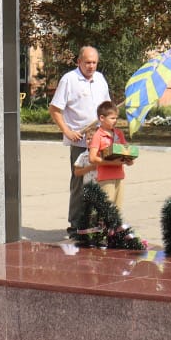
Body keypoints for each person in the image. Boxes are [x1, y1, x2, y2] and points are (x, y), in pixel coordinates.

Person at [49, 47, 111, 230]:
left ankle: (96, 221)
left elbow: (106, 107)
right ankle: (76, 224)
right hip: (79, 140)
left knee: (100, 179)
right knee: (79, 181)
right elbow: (54, 109)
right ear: (79, 62)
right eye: (87, 62)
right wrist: (67, 131)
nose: (91, 66)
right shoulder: (69, 80)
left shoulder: (100, 79)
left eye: (94, 62)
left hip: (99, 139)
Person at [86, 100, 134, 209]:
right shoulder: (98, 135)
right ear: (102, 118)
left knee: (117, 209)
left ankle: (114, 226)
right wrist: (111, 163)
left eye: (116, 118)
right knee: (106, 209)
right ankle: (103, 226)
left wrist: (129, 159)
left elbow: (125, 150)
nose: (115, 121)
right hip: (106, 178)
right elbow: (92, 158)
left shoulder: (118, 133)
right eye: (112, 118)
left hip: (119, 176)